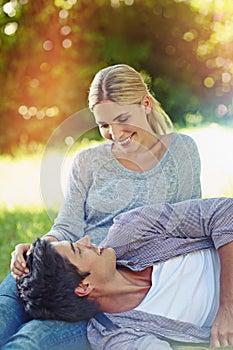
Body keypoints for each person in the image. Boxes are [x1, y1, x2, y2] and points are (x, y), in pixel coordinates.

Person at [0, 64, 202, 349]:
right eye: (104, 125)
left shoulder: (181, 151)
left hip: (100, 287)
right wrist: (40, 247)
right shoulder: (88, 161)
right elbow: (66, 226)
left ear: (145, 103)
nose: (115, 133)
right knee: (4, 311)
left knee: (33, 339)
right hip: (61, 265)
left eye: (122, 119)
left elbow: (190, 229)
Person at [17, 197, 233, 350]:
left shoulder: (131, 229)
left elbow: (225, 212)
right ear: (83, 286)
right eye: (78, 249)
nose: (87, 241)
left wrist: (227, 306)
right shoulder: (116, 334)